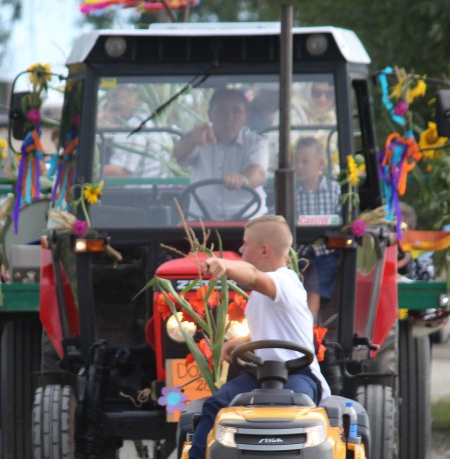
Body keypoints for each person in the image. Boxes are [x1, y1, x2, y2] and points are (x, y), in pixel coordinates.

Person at [168, 215, 332, 459]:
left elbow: (252, 274)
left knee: (301, 412)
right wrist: (241, 342)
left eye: (245, 245)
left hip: (298, 374)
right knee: (217, 404)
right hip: (261, 375)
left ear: (265, 250)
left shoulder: (283, 282)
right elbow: (277, 329)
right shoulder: (266, 294)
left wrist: (226, 265)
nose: (241, 251)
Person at [172, 88, 268, 220]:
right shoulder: (199, 137)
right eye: (222, 111)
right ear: (210, 114)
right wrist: (192, 140)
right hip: (201, 222)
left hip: (248, 220)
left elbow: (258, 173)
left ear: (246, 117)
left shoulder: (256, 142)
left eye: (236, 111)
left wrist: (243, 179)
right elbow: (178, 154)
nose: (229, 117)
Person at [291, 136, 343, 319]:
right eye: (296, 162)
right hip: (299, 250)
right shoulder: (291, 194)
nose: (299, 166)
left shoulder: (335, 191)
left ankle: (310, 322)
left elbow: (343, 220)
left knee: (318, 275)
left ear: (320, 164)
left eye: (305, 162)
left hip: (326, 251)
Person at [99, 84, 163, 178]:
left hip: (137, 191)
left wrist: (90, 168)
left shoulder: (134, 125)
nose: (110, 105)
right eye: (109, 99)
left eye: (116, 96)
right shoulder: (149, 120)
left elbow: (120, 172)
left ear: (134, 96)